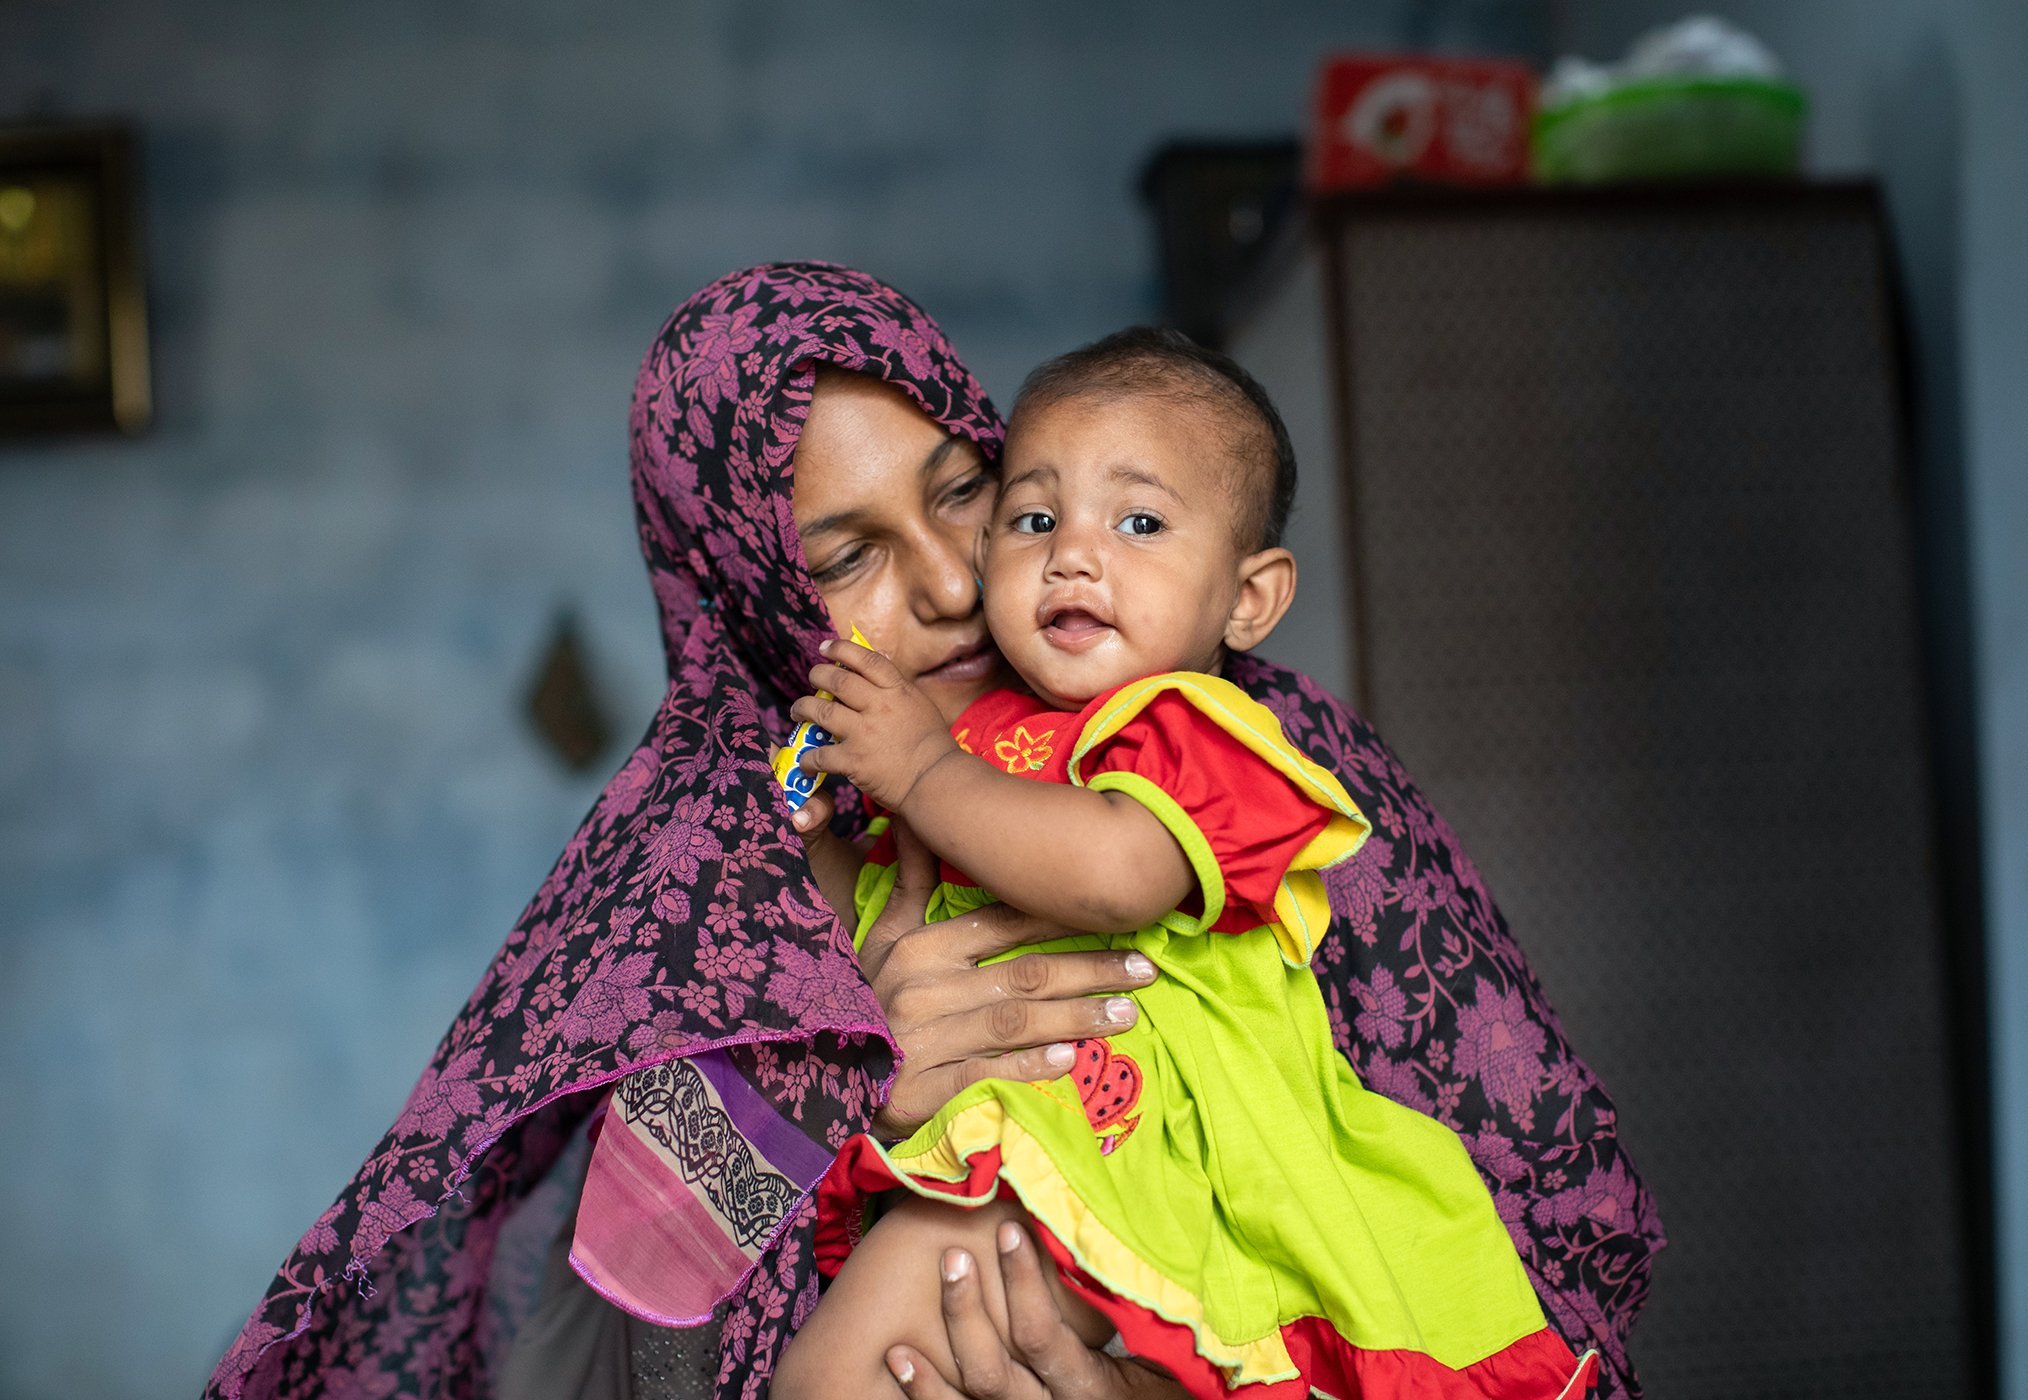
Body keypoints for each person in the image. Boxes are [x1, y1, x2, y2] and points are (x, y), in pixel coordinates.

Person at [207, 264, 1661, 1400]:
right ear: (757, 603)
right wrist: (833, 1099)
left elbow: (1517, 1209)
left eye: (965, 493)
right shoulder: (714, 903)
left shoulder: (1262, 749)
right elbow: (625, 1342)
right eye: (845, 558)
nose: (955, 586)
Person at [773, 328, 1599, 1400]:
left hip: (1162, 1146)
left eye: (1140, 522)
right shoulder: (962, 739)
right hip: (1015, 1144)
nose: (1072, 554)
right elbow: (878, 912)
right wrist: (808, 846)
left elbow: (1119, 873)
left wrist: (923, 772)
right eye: (1032, 518)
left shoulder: (1196, 726)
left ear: (1248, 599)